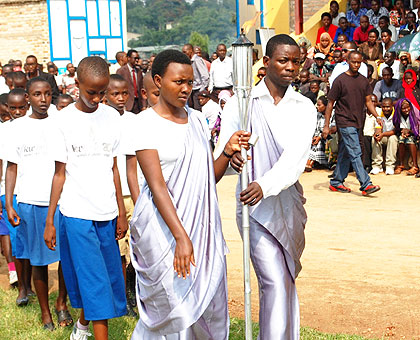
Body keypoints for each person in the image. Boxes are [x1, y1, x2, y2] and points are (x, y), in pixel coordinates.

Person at [128, 49, 249, 339]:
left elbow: (209, 176)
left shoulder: (197, 119)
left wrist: (227, 150)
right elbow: (157, 187)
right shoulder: (145, 124)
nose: (186, 89)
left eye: (190, 82)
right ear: (158, 81)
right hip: (164, 232)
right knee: (174, 309)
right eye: (178, 82)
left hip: (202, 232)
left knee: (207, 307)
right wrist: (182, 238)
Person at [218, 34, 317, 339]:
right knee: (272, 279)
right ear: (266, 62)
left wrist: (265, 183)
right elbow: (226, 145)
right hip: (253, 207)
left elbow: (296, 159)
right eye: (283, 60)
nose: (291, 67)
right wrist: (234, 155)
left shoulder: (304, 106)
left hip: (286, 204)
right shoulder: (241, 102)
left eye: (296, 62)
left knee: (285, 278)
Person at [44, 56, 128, 340]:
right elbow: (59, 174)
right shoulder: (62, 121)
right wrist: (50, 221)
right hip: (76, 213)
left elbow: (114, 168)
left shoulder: (113, 118)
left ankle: (82, 326)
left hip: (106, 212)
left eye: (101, 92)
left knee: (105, 276)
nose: (97, 98)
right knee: (94, 281)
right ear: (76, 84)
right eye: (91, 91)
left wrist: (121, 212)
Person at [5, 78, 71, 330]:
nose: (42, 100)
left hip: (63, 201)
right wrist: (10, 203)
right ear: (28, 97)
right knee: (38, 260)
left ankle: (62, 303)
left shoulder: (61, 123)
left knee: (65, 257)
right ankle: (46, 313)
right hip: (30, 202)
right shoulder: (16, 128)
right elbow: (12, 167)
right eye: (36, 95)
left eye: (46, 94)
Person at [104, 73, 139, 318]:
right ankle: (121, 296)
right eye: (114, 94)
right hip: (110, 195)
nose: (120, 98)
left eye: (124, 93)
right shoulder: (101, 120)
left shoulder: (136, 121)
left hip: (135, 192)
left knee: (137, 246)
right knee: (118, 248)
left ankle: (134, 290)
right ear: (105, 95)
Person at [323, 50, 381, 195]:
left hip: (357, 122)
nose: (356, 64)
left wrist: (376, 116)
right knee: (355, 152)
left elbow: (368, 101)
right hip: (344, 120)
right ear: (347, 61)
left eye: (358, 62)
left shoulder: (363, 80)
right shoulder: (340, 80)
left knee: (345, 152)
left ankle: (336, 182)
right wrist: (326, 125)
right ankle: (366, 184)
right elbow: (330, 103)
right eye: (353, 61)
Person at [1, 88, 34, 306]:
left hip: (33, 192)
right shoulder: (5, 131)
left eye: (22, 107)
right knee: (19, 242)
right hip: (10, 192)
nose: (18, 112)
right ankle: (23, 287)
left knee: (33, 242)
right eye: (13, 108)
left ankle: (30, 284)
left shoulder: (37, 126)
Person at [371, 97, 398, 174]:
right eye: (384, 107)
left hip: (393, 137)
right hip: (384, 137)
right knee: (375, 139)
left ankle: (390, 166)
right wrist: (377, 134)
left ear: (392, 106)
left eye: (388, 107)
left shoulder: (396, 114)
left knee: (393, 138)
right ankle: (377, 166)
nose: (386, 109)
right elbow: (378, 128)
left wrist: (382, 134)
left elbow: (394, 131)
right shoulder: (379, 114)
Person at [393, 98, 420, 175]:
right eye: (403, 108)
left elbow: (417, 129)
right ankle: (401, 164)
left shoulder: (415, 114)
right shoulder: (398, 116)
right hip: (404, 135)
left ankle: (415, 166)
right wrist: (403, 132)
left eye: (407, 107)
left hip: (415, 136)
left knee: (410, 140)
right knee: (401, 139)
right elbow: (398, 128)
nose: (406, 110)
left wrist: (409, 131)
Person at [305, 96, 330, 171]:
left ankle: (310, 162)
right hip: (316, 136)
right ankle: (308, 162)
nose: (317, 107)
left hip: (327, 137)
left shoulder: (332, 115)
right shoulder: (317, 115)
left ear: (325, 106)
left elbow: (332, 128)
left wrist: (319, 137)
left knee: (318, 143)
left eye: (319, 105)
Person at [182, 43, 210, 110]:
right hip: (192, 89)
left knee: (197, 109)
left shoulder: (197, 60)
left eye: (185, 52)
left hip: (198, 89)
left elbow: (205, 76)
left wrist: (201, 90)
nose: (183, 54)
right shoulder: (189, 61)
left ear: (190, 51)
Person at [117, 49, 144, 114]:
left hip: (138, 104)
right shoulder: (121, 71)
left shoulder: (139, 71)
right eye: (135, 58)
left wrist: (144, 104)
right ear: (128, 58)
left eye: (138, 58)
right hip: (128, 104)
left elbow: (142, 88)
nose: (137, 60)